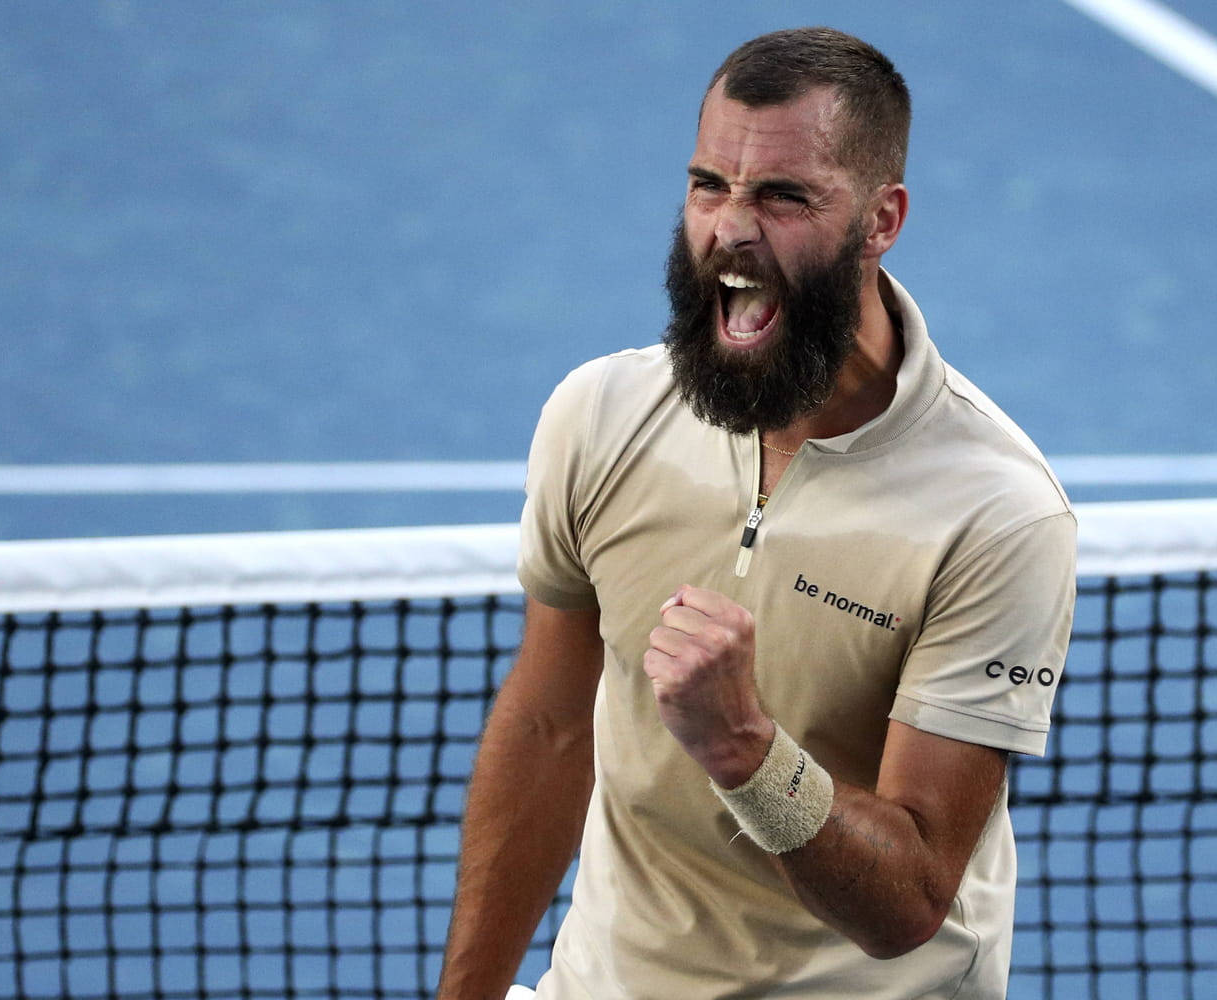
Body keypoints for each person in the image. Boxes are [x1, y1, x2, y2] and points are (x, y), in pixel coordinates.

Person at [438, 26, 1075, 1000]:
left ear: (881, 218)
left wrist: (746, 749)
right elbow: (550, 724)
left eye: (783, 196)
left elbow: (908, 901)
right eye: (709, 186)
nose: (731, 228)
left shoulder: (997, 512)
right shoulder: (602, 416)